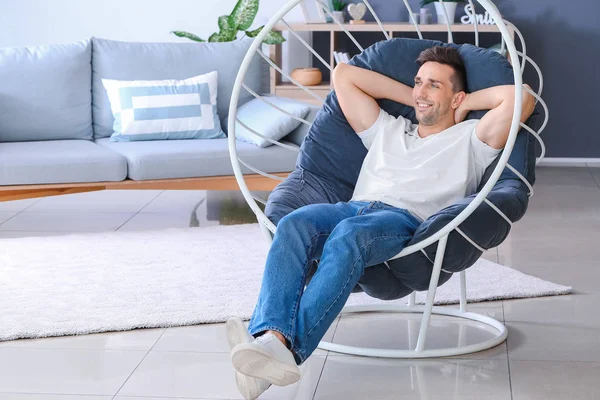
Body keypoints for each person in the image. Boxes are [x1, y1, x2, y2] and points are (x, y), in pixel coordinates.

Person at [225, 46, 536, 399]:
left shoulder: (473, 137)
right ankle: (270, 342)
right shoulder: (388, 128)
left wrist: (463, 104)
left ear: (457, 96)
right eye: (418, 82)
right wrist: (422, 96)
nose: (420, 90)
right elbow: (345, 75)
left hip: (401, 219)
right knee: (294, 223)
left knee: (348, 237)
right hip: (352, 207)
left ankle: (287, 350)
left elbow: (522, 99)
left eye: (434, 84)